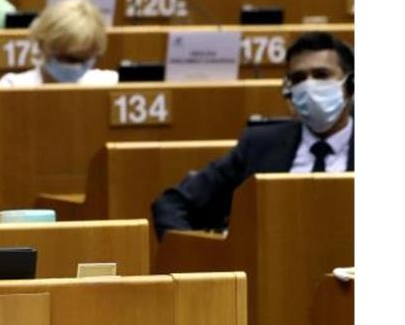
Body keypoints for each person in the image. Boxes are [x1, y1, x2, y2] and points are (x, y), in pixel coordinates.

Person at [151, 31, 353, 239]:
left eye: (321, 75)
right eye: (298, 78)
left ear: (350, 85)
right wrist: (194, 256)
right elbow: (172, 204)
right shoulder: (259, 145)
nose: (309, 86)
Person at [0, 0, 118, 86]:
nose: (77, 66)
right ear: (43, 46)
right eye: (68, 58)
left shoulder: (109, 84)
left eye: (85, 58)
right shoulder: (12, 87)